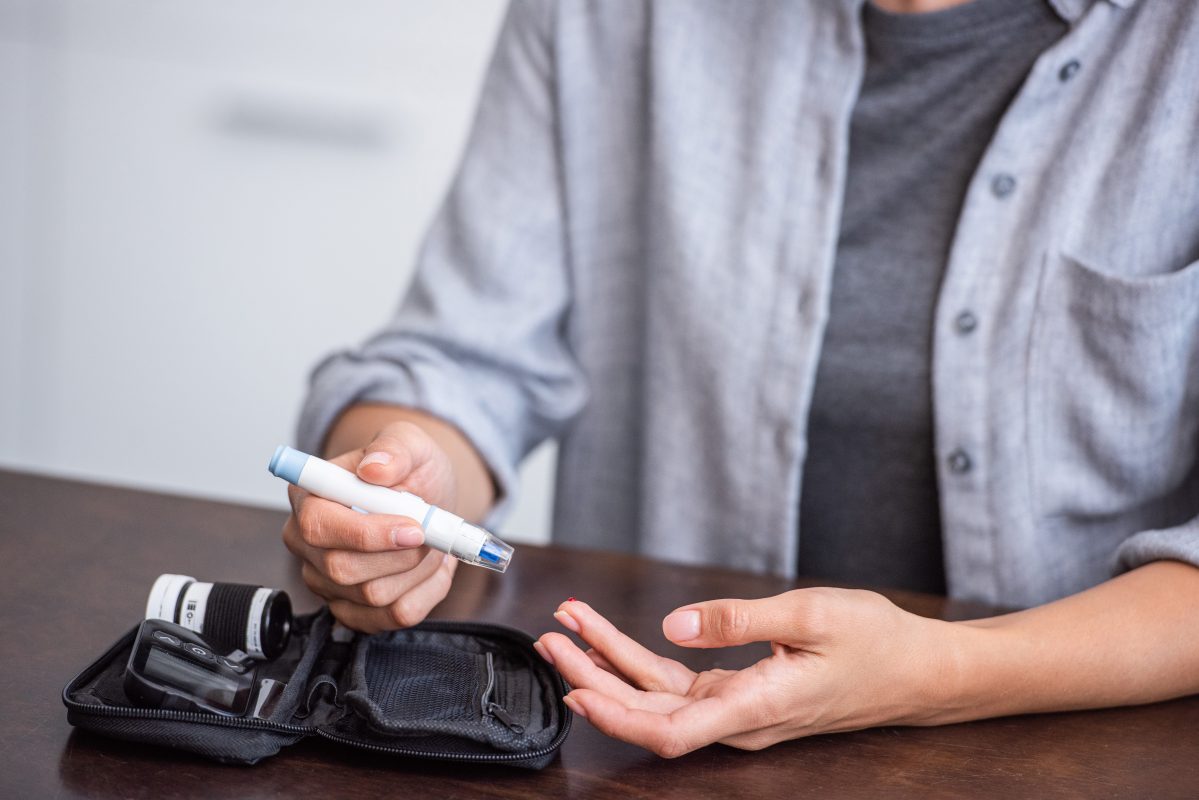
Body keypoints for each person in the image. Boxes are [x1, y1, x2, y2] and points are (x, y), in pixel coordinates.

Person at [283, 0, 1199, 756]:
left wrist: (941, 671)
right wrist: (400, 475)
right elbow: (463, 357)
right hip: (644, 747)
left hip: (1070, 754)